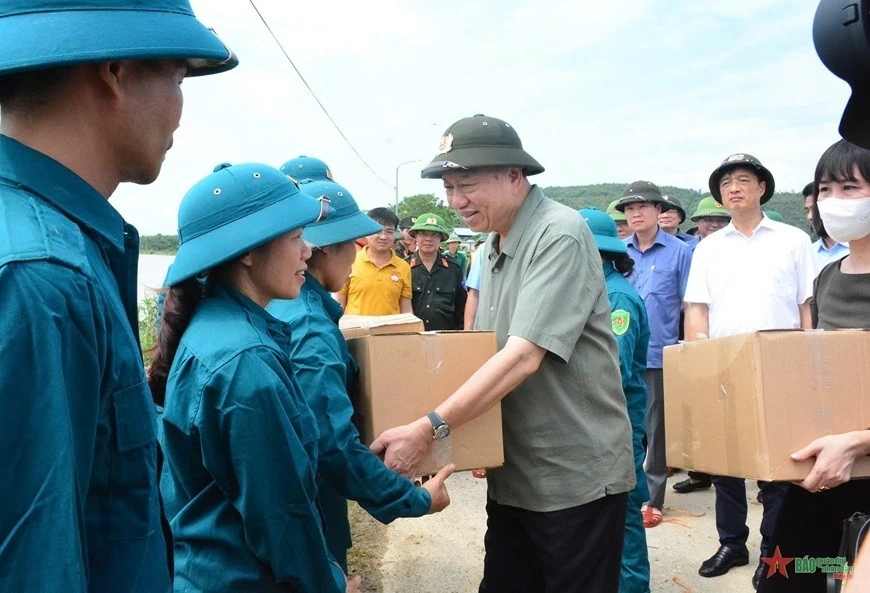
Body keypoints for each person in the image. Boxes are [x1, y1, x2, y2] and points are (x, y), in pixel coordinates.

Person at [0, 2, 236, 591]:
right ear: (116, 72)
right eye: (178, 77)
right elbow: (37, 565)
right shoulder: (45, 276)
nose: (181, 108)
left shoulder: (52, 248)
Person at [371, 113, 635, 593]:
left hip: (571, 480)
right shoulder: (490, 246)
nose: (456, 201)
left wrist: (430, 430)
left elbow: (522, 357)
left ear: (515, 175)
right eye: (448, 188)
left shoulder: (559, 233)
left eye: (466, 184)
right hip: (515, 474)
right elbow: (482, 352)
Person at [151, 163, 357, 593]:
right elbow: (282, 518)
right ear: (247, 250)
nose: (307, 251)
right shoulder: (245, 362)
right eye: (296, 236)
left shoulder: (213, 327)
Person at [267, 179, 453, 571]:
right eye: (353, 247)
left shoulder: (282, 306)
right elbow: (331, 442)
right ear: (327, 250)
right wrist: (415, 499)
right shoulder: (312, 328)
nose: (355, 258)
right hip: (306, 502)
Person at [684, 153, 815, 589]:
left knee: (778, 466)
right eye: (726, 183)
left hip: (783, 364)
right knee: (726, 465)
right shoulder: (707, 248)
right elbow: (697, 310)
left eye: (743, 180)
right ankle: (731, 543)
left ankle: (772, 548)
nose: (734, 188)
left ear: (762, 187)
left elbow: (805, 307)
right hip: (724, 366)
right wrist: (699, 365)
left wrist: (810, 363)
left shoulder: (793, 240)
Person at [756, 139, 870, 593]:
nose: (832, 202)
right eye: (825, 189)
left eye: (849, 187)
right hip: (819, 478)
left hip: (859, 469)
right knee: (797, 575)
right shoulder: (827, 277)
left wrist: (858, 443)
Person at [580, 208, 652, 593]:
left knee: (623, 515)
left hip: (615, 424)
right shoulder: (589, 290)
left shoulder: (618, 297)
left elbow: (615, 370)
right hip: (591, 422)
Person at [615, 181, 693, 529]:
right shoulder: (619, 251)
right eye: (629, 208)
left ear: (658, 211)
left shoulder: (679, 252)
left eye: (642, 206)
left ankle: (652, 497)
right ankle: (624, 490)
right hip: (621, 352)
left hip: (659, 354)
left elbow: (689, 306)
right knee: (624, 423)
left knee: (655, 428)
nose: (635, 213)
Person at [336, 207, 413, 315]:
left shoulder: (403, 266)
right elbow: (339, 303)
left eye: (389, 232)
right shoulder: (350, 262)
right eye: (378, 231)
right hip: (357, 330)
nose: (383, 237)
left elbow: (406, 309)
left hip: (390, 331)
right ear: (367, 233)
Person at [407, 213, 467, 330]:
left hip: (446, 338)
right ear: (415, 236)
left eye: (434, 235)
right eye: (423, 233)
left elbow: (462, 307)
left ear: (441, 238)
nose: (428, 239)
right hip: (412, 338)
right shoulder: (404, 267)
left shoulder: (454, 268)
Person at [804, 180, 850, 270]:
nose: (809, 216)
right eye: (807, 210)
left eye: (815, 209)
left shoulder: (859, 251)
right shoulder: (807, 254)